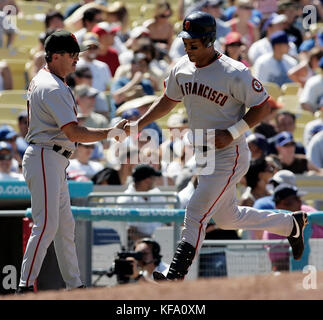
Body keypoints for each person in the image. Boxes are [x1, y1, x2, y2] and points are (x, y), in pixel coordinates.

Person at [123, 12, 309, 281]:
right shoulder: (181, 68)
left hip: (229, 153)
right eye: (186, 43)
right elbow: (168, 99)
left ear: (210, 40)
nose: (188, 49)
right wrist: (140, 123)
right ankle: (290, 224)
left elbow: (262, 106)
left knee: (195, 210)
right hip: (203, 154)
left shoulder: (235, 71)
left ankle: (175, 276)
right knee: (227, 219)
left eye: (194, 44)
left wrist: (233, 132)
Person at [16, 30, 126, 293]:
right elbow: (74, 132)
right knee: (47, 225)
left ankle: (75, 286)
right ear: (55, 56)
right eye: (72, 54)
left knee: (65, 227)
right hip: (45, 155)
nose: (77, 59)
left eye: (78, 54)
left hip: (53, 157)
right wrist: (111, 133)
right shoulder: (51, 86)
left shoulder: (52, 79)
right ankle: (22, 288)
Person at [117, 164, 167, 246]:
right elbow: (130, 233)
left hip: (160, 245)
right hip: (135, 248)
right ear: (147, 180)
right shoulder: (125, 200)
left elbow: (168, 221)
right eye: (153, 178)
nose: (156, 180)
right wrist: (153, 241)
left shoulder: (157, 193)